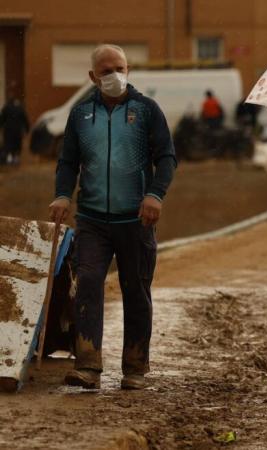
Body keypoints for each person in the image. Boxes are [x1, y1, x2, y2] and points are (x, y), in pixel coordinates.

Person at [49, 44, 177, 390]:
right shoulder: (80, 114)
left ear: (129, 69)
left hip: (136, 219)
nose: (114, 76)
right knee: (88, 284)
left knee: (135, 289)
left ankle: (135, 366)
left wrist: (155, 195)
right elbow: (68, 161)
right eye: (106, 71)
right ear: (93, 77)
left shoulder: (146, 110)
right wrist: (62, 195)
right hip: (91, 219)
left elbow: (166, 157)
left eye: (119, 68)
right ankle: (88, 365)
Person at [0, 95, 30, 165]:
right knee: (17, 144)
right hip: (17, 130)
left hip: (8, 130)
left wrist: (1, 127)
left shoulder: (6, 108)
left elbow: (1, 120)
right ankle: (16, 158)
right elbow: (25, 120)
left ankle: (9, 158)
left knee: (8, 145)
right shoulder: (20, 108)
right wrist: (27, 129)